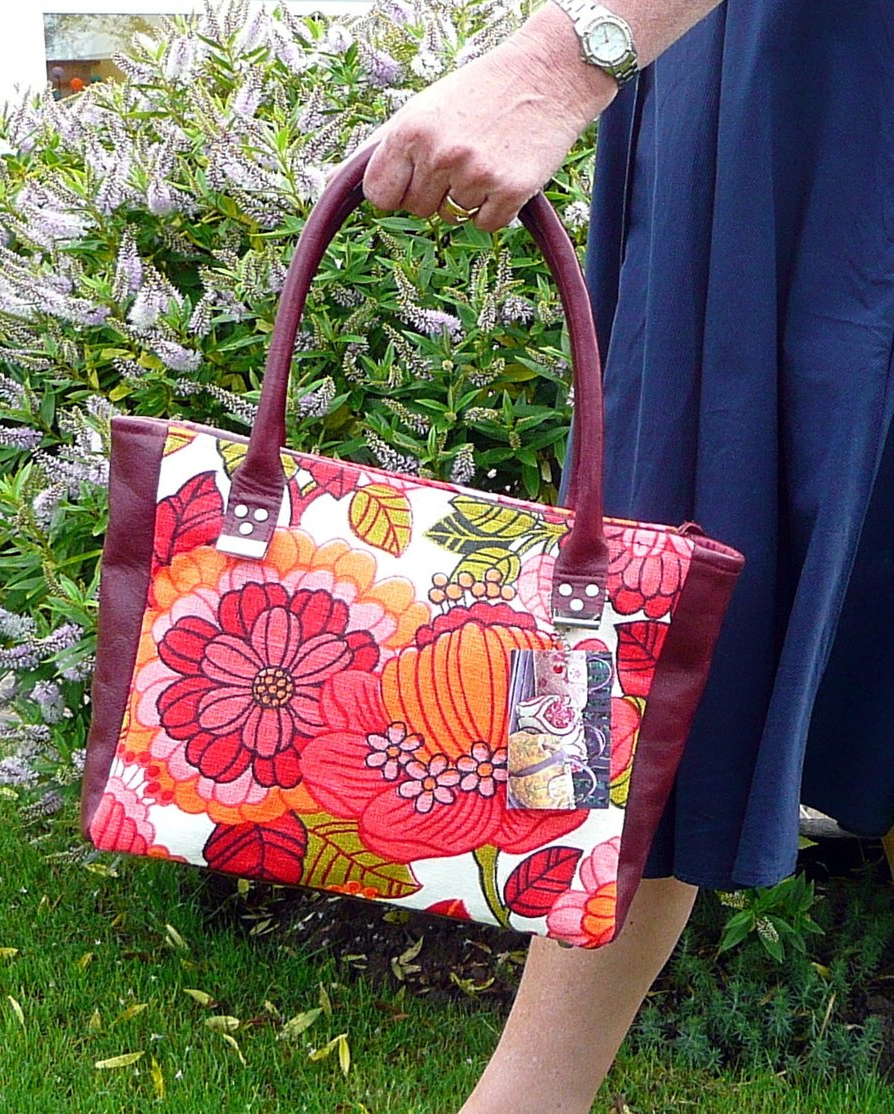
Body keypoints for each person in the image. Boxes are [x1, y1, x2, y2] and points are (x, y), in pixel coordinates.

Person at [359, 1, 894, 1111]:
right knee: (657, 613)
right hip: (768, 86)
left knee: (661, 616)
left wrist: (564, 60)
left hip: (806, 93)